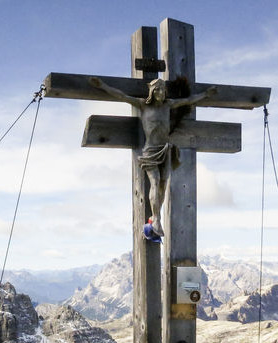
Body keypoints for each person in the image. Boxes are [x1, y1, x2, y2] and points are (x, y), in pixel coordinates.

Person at [89, 77, 214, 237]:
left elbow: (188, 100)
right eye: (157, 90)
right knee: (154, 183)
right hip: (150, 151)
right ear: (152, 91)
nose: (161, 93)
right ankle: (156, 218)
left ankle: (156, 217)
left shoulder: (168, 105)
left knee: (163, 185)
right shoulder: (143, 104)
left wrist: (205, 94)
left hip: (165, 149)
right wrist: (103, 85)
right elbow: (122, 96)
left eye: (163, 89)